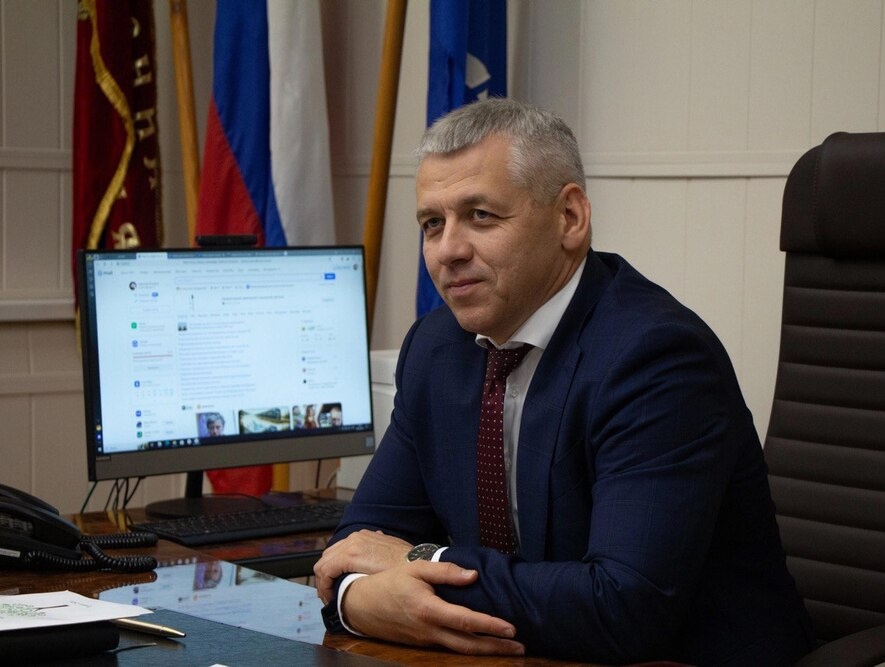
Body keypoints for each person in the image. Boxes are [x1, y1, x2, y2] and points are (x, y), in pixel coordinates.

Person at [313, 98, 814, 665]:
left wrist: (420, 562)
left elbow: (623, 606)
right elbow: (356, 548)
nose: (448, 250)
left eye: (481, 216)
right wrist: (355, 600)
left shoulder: (655, 357)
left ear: (570, 218)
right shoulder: (436, 348)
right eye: (433, 223)